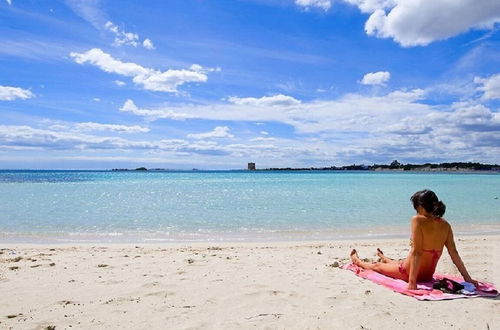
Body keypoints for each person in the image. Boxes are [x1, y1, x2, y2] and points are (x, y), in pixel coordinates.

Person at [349, 189, 478, 290]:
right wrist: (467, 278)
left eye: (416, 208)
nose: (416, 212)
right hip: (428, 275)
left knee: (377, 266)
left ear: (421, 207)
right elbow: (453, 252)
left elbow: (417, 252)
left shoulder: (417, 220)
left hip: (408, 272)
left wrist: (412, 282)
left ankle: (357, 261)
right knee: (398, 262)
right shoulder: (446, 225)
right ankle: (385, 258)